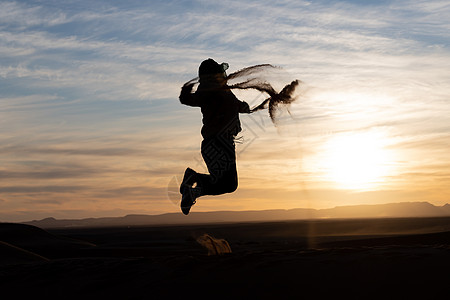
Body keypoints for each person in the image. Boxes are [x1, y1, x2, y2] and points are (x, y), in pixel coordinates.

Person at [179, 58, 250, 215]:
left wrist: (242, 107)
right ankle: (192, 181)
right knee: (228, 184)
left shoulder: (222, 90)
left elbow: (234, 104)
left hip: (222, 143)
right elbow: (189, 100)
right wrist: (185, 92)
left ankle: (192, 183)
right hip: (217, 143)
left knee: (228, 184)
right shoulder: (208, 90)